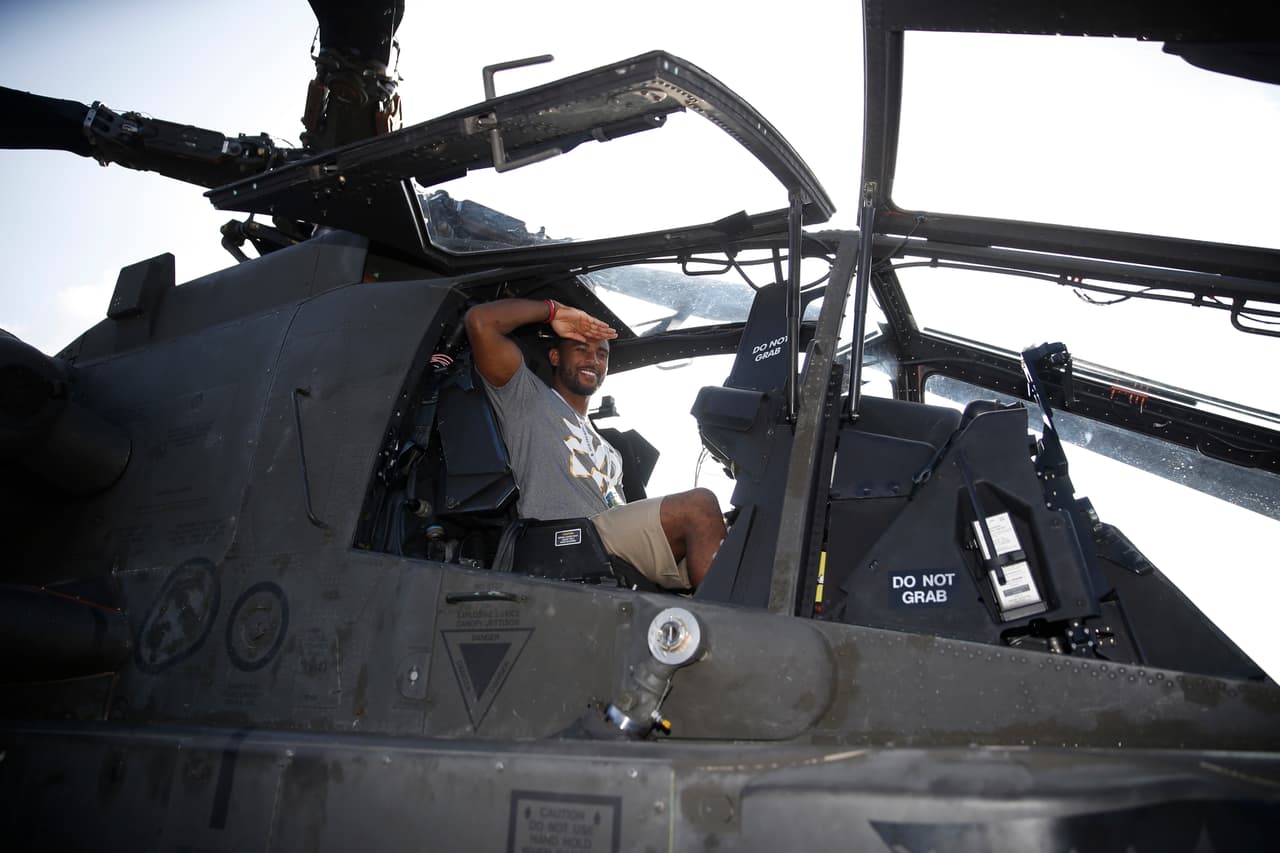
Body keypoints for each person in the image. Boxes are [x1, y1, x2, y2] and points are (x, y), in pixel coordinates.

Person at [464, 297, 727, 589]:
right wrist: (553, 311)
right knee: (699, 506)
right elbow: (480, 322)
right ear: (555, 357)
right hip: (566, 537)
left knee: (732, 538)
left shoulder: (611, 450)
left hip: (609, 538)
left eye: (602, 355)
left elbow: (620, 512)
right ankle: (727, 629)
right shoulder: (528, 398)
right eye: (581, 350)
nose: (593, 360)